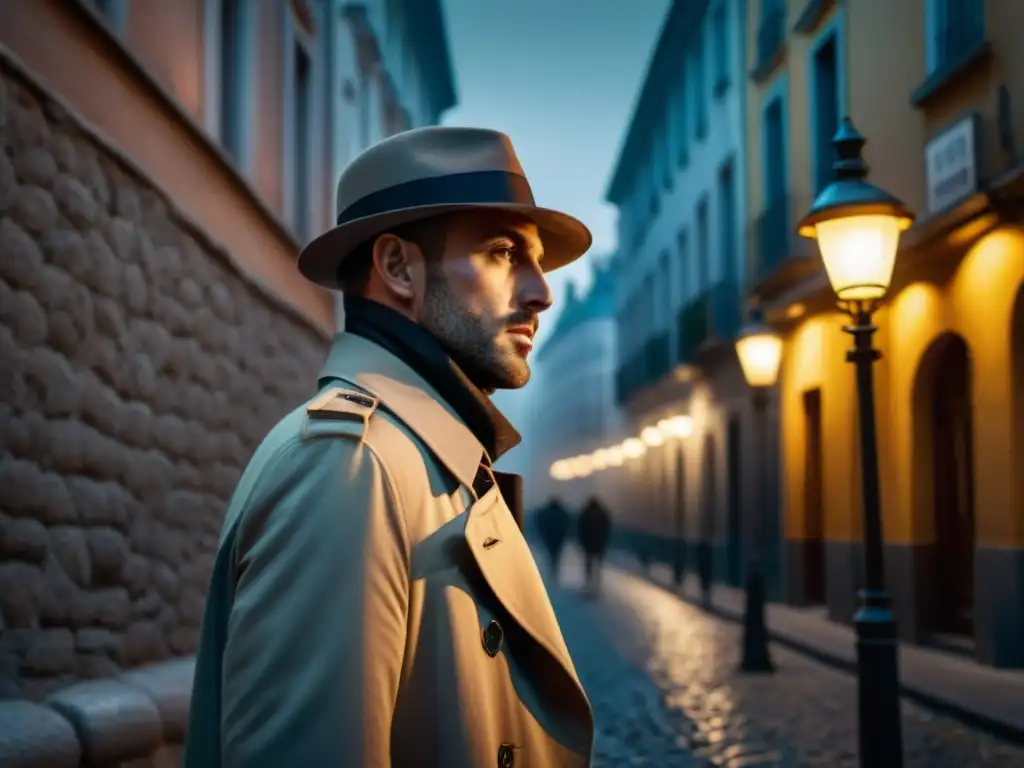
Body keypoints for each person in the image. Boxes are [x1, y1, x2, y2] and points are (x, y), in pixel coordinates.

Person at [184, 127, 595, 768]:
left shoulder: (414, 454)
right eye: (502, 252)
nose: (541, 291)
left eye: (537, 261)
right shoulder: (349, 466)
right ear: (398, 268)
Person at [577, 497, 612, 596]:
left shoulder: (585, 513)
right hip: (599, 542)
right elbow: (607, 528)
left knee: (588, 563)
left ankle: (588, 581)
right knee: (598, 564)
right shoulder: (603, 514)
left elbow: (580, 528)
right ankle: (597, 583)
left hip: (588, 542)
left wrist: (581, 541)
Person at [534, 496, 572, 583]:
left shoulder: (546, 512)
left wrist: (542, 534)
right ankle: (555, 572)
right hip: (559, 537)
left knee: (550, 554)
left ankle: (551, 571)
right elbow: (567, 523)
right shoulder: (562, 512)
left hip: (549, 536)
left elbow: (540, 522)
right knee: (556, 555)